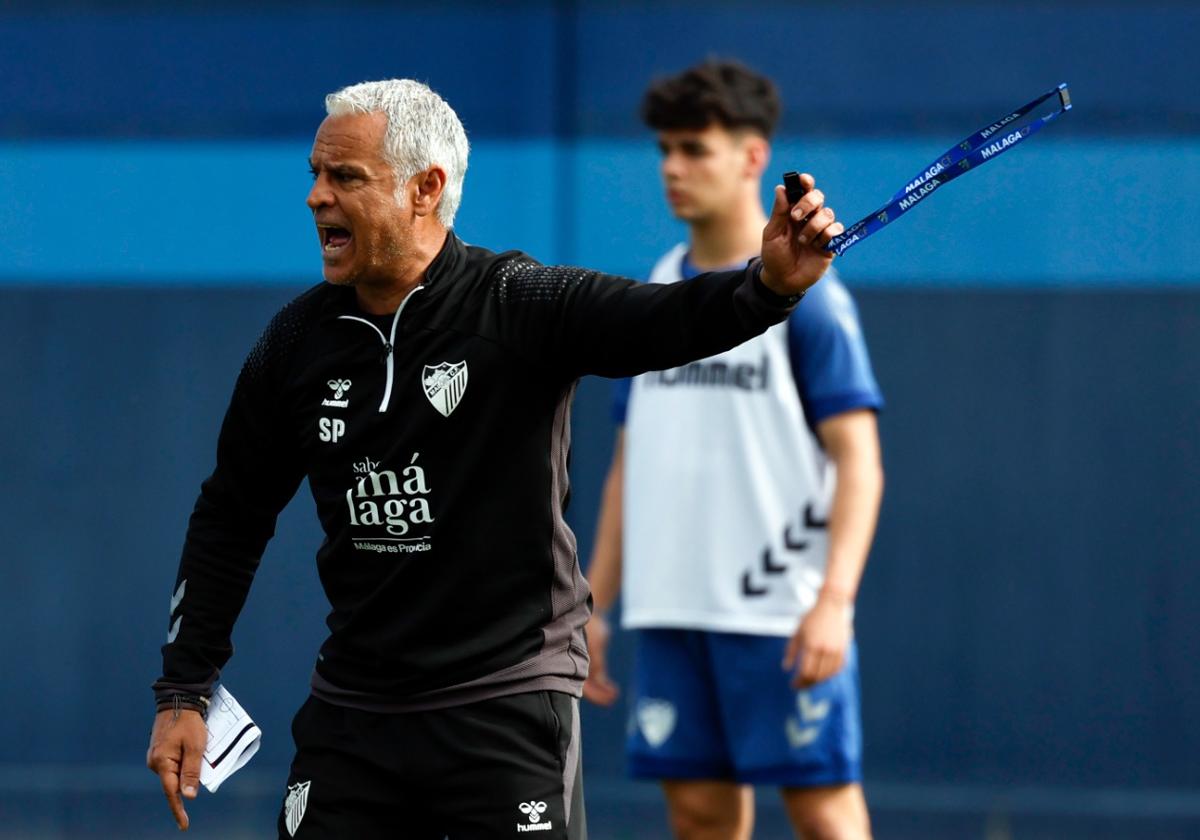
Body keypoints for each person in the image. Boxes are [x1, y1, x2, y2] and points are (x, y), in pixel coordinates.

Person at [144, 78, 845, 839]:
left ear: (426, 189)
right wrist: (184, 690)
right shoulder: (293, 343)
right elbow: (231, 516)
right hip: (354, 713)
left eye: (344, 177)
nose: (316, 197)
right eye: (315, 175)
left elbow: (660, 321)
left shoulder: (516, 302)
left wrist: (767, 287)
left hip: (506, 704)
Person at [582, 61, 884, 840]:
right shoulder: (657, 287)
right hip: (672, 608)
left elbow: (860, 460)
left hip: (781, 613)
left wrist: (834, 603)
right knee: (699, 816)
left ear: (753, 158)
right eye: (664, 151)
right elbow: (629, 460)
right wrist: (594, 604)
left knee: (823, 811)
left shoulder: (813, 303)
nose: (671, 169)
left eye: (693, 149)